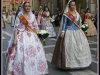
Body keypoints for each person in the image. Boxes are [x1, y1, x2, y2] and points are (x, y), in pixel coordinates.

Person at [5, 1, 48, 75]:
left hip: (32, 36)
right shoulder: (20, 15)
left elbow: (35, 27)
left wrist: (40, 36)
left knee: (36, 52)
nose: (27, 7)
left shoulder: (33, 16)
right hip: (22, 35)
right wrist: (15, 39)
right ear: (23, 7)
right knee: (21, 53)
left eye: (29, 6)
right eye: (26, 6)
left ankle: (35, 69)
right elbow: (16, 28)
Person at [51, 0, 92, 69]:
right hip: (69, 31)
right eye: (72, 5)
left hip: (78, 31)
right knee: (70, 46)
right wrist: (63, 31)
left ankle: (81, 63)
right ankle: (69, 63)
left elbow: (79, 24)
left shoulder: (77, 14)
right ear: (69, 6)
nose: (73, 6)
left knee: (80, 47)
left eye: (74, 5)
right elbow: (64, 23)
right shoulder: (66, 14)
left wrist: (82, 30)